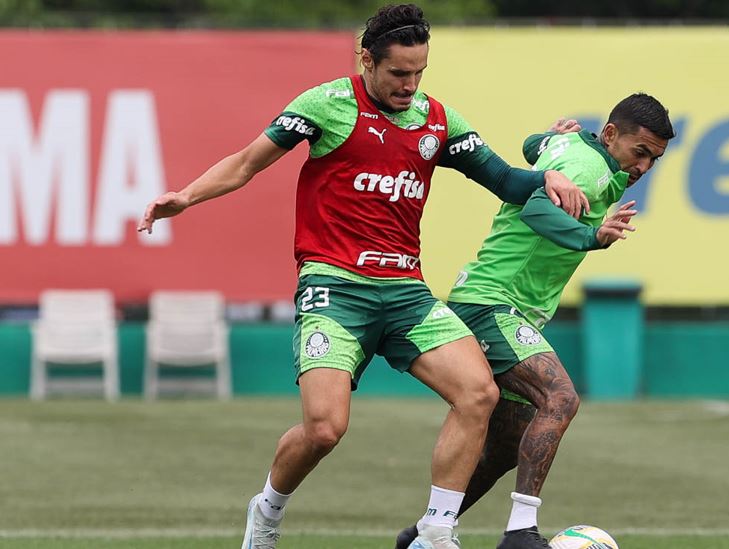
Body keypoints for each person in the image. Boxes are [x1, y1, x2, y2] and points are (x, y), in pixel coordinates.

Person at [137, 4, 589, 549]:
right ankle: (267, 510)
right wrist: (185, 196)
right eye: (399, 73)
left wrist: (548, 178)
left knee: (477, 393)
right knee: (325, 429)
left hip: (406, 294)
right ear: (366, 61)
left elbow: (504, 179)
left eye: (419, 72)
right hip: (336, 288)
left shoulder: (437, 120)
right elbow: (246, 162)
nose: (410, 85)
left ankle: (437, 529)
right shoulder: (326, 105)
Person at [396, 93, 675, 549]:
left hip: (499, 304)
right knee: (560, 398)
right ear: (609, 135)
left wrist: (548, 136)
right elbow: (535, 208)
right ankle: (520, 533)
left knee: (508, 440)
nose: (643, 167)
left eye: (654, 159)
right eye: (639, 152)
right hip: (493, 304)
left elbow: (531, 148)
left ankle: (422, 536)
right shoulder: (588, 169)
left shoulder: (578, 151)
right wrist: (592, 236)